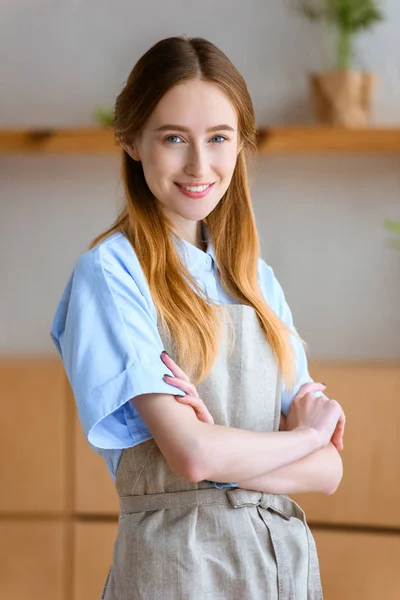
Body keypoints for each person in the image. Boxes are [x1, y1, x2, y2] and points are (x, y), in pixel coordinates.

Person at [50, 35, 345, 599]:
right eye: (173, 138)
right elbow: (191, 455)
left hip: (280, 567)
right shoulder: (111, 275)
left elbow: (328, 472)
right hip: (177, 568)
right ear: (132, 141)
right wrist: (302, 437)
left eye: (218, 138)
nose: (199, 164)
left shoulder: (257, 280)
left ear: (239, 146)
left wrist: (233, 449)